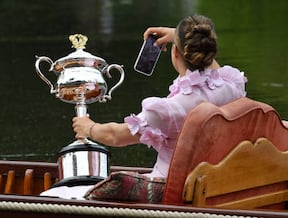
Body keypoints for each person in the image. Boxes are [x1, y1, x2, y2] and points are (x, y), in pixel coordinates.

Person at [72, 14, 247, 179]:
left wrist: (89, 127)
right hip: (216, 182)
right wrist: (178, 36)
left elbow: (116, 136)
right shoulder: (231, 87)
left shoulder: (170, 110)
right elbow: (213, 67)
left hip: (172, 192)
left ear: (176, 53)